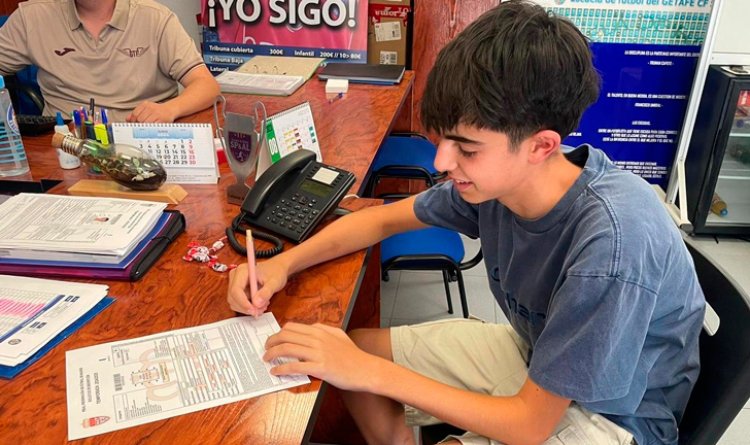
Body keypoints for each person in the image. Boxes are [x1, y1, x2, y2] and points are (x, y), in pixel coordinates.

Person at [227, 2, 706, 444]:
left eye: (466, 148)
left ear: (542, 145)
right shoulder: (501, 182)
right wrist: (282, 264)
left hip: (616, 418)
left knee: (357, 367)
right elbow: (377, 222)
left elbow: (529, 424)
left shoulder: (610, 243)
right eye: (443, 140)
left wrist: (366, 373)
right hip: (539, 354)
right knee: (349, 351)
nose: (441, 160)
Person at [0, 0, 220, 123]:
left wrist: (170, 110)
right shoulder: (32, 17)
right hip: (66, 149)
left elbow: (207, 86)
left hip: (142, 142)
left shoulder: (155, 17)